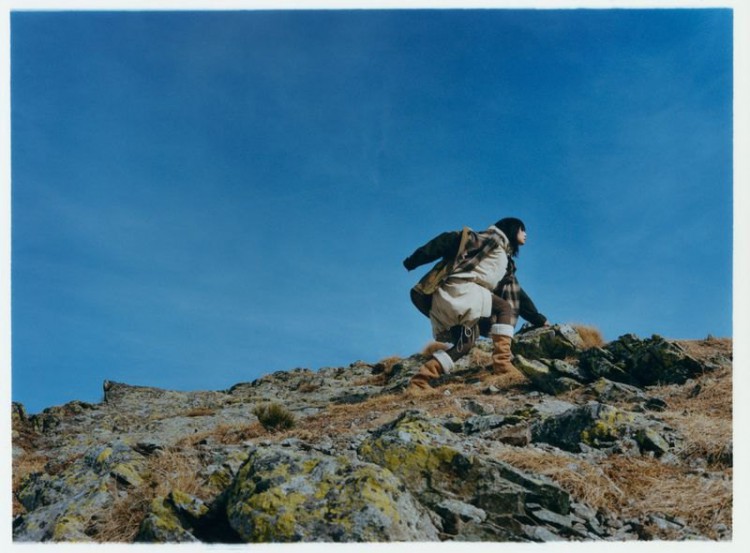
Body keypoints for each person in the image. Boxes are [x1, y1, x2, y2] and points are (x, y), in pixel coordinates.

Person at [403, 217, 548, 392]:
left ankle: (420, 381)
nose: (525, 234)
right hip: (458, 290)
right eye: (522, 229)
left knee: (465, 344)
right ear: (512, 229)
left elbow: (518, 294)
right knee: (504, 308)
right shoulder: (493, 238)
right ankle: (502, 364)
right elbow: (451, 239)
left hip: (454, 300)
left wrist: (539, 319)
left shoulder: (503, 259)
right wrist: (414, 260)